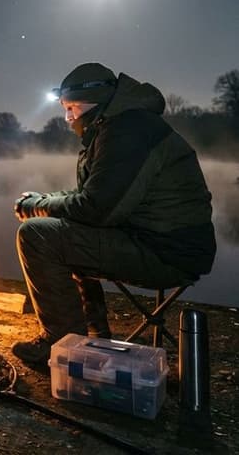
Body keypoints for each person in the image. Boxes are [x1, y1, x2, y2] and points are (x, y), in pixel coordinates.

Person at [11, 62, 216, 365]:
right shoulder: (120, 125)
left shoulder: (127, 131)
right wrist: (44, 199)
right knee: (64, 229)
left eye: (72, 108)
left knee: (37, 235)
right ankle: (94, 335)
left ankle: (63, 347)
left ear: (95, 104)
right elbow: (96, 195)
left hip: (167, 251)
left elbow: (96, 209)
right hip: (156, 239)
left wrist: (36, 207)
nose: (68, 118)